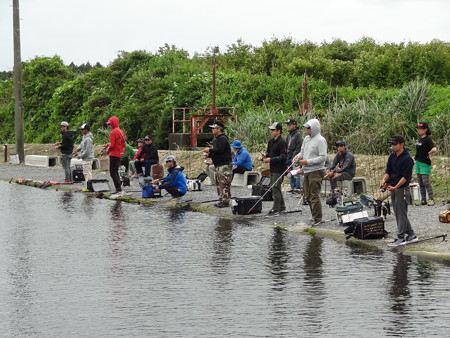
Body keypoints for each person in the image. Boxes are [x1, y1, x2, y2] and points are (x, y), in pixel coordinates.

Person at [381, 135, 418, 247]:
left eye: (395, 144)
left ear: (402, 144)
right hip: (393, 186)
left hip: (402, 188)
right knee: (398, 212)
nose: (392, 146)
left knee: (401, 212)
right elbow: (388, 171)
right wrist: (383, 180)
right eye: (391, 144)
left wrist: (396, 187)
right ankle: (411, 234)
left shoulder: (407, 159)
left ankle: (401, 237)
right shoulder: (392, 156)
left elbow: (405, 177)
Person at [293, 118, 327, 226]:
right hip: (307, 171)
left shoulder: (321, 140)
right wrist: (297, 157)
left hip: (316, 171)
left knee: (314, 195)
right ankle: (313, 216)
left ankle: (318, 218)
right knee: (307, 195)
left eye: (308, 128)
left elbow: (322, 158)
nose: (307, 130)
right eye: (306, 128)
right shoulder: (307, 139)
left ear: (314, 128)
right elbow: (302, 151)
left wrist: (307, 162)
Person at [203, 121, 233, 208]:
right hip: (218, 165)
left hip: (225, 165)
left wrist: (209, 150)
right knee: (219, 182)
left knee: (224, 182)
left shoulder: (223, 139)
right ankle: (221, 199)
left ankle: (225, 201)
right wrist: (209, 155)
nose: (212, 130)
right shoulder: (216, 139)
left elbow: (219, 150)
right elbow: (216, 152)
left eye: (214, 128)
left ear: (219, 129)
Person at [262, 122, 287, 215]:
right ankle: (282, 206)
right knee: (275, 186)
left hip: (279, 168)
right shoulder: (271, 141)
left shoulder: (282, 142)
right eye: (271, 130)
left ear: (279, 131)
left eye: (273, 130)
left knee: (275, 187)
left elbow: (283, 156)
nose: (272, 131)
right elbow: (269, 152)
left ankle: (276, 208)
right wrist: (265, 156)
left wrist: (271, 159)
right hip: (272, 167)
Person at [414, 122, 437, 206]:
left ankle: (431, 199)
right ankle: (423, 199)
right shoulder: (419, 139)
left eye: (421, 129)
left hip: (425, 162)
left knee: (425, 181)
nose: (419, 130)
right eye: (418, 129)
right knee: (420, 182)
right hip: (418, 162)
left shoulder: (428, 139)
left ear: (425, 129)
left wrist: (429, 153)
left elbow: (434, 148)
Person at [105, 116, 126, 196]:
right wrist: (108, 145)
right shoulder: (120, 131)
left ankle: (118, 189)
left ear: (113, 124)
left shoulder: (113, 132)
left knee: (112, 172)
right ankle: (119, 189)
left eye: (110, 124)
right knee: (116, 172)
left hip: (114, 154)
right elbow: (121, 143)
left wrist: (108, 150)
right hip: (119, 154)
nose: (109, 126)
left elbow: (113, 145)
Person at [285, 118, 303, 193]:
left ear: (294, 125)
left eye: (290, 125)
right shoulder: (289, 134)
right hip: (289, 156)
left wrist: (294, 156)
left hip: (295, 156)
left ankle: (297, 187)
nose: (288, 126)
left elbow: (299, 146)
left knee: (296, 172)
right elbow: (286, 145)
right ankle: (292, 186)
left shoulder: (298, 134)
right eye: (287, 125)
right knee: (291, 172)